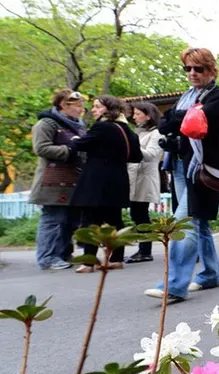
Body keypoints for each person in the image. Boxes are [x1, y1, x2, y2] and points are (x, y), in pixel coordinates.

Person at [144, 47, 219, 303]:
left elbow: (187, 121)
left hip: (203, 168)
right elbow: (166, 123)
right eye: (188, 68)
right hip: (182, 166)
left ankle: (174, 285)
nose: (193, 73)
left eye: (199, 68)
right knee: (199, 223)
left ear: (212, 70)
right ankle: (210, 275)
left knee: (183, 222)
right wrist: (177, 119)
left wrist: (176, 118)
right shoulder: (187, 96)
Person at [69, 95, 142, 273]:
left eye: (97, 107)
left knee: (90, 220)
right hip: (118, 178)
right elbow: (137, 156)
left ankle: (89, 261)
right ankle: (116, 259)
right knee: (114, 219)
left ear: (108, 110)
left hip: (97, 178)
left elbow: (82, 144)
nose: (93, 110)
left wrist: (74, 141)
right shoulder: (127, 129)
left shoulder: (102, 126)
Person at [30, 89, 87, 270]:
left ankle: (63, 254)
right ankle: (47, 258)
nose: (81, 110)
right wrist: (70, 150)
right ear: (63, 105)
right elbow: (41, 148)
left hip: (74, 181)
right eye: (77, 106)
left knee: (70, 221)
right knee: (53, 220)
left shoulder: (78, 125)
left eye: (82, 106)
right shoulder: (46, 124)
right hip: (52, 182)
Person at [125, 101, 164, 263]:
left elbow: (152, 155)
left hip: (145, 178)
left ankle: (145, 250)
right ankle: (143, 249)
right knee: (136, 214)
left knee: (141, 214)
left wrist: (132, 144)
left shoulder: (157, 133)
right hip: (134, 177)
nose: (134, 117)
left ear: (148, 116)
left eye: (137, 114)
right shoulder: (139, 132)